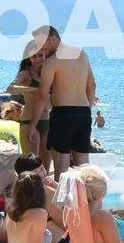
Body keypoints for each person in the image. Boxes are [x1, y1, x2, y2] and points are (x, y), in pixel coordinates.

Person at [34, 26, 97, 177]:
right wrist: (86, 109)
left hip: (63, 115)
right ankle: (85, 193)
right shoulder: (81, 54)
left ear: (52, 39)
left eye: (41, 44)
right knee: (83, 169)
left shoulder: (52, 61)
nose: (40, 49)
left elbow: (42, 96)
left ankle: (62, 194)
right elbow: (92, 86)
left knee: (61, 169)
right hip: (84, 113)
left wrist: (32, 125)